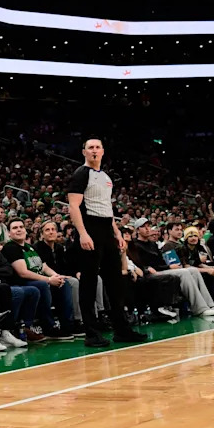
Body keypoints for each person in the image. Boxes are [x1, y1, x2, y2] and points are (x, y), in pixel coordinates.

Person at [66, 138, 146, 347]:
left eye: (97, 147)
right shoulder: (81, 174)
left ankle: (122, 329)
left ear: (103, 151)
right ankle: (91, 333)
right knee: (89, 283)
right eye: (90, 147)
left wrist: (117, 232)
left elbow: (106, 209)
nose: (94, 150)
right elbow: (73, 207)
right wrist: (82, 233)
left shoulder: (106, 177)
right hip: (89, 229)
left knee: (115, 282)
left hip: (106, 230)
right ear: (84, 151)